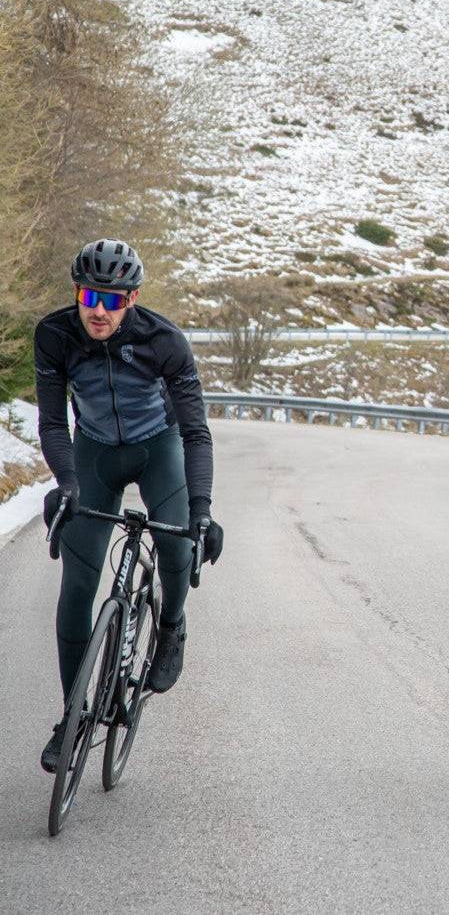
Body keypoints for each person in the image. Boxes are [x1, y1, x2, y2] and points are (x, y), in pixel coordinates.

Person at [34, 238, 223, 772]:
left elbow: (196, 433)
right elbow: (52, 422)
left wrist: (202, 509)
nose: (99, 310)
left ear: (132, 299)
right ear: (78, 292)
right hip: (94, 452)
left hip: (157, 447)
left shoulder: (165, 341)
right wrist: (66, 483)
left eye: (113, 300)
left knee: (174, 543)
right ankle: (72, 717)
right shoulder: (54, 335)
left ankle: (171, 627)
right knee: (77, 585)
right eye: (91, 296)